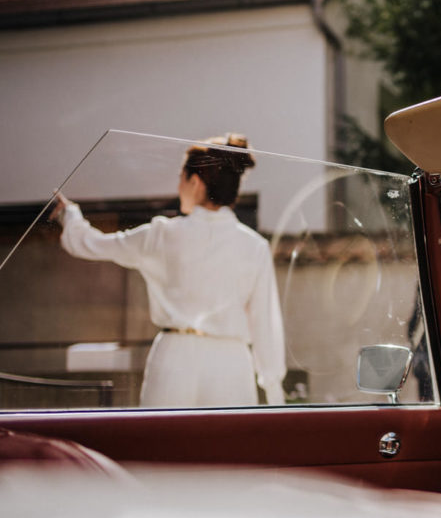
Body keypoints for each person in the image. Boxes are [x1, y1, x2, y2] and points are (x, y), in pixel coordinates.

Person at [53, 133, 286, 407]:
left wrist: (70, 215)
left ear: (195, 182)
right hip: (231, 363)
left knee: (165, 435)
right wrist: (275, 393)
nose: (178, 187)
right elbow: (265, 325)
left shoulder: (162, 235)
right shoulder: (254, 246)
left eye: (181, 178)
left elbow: (92, 244)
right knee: (228, 436)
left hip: (175, 359)